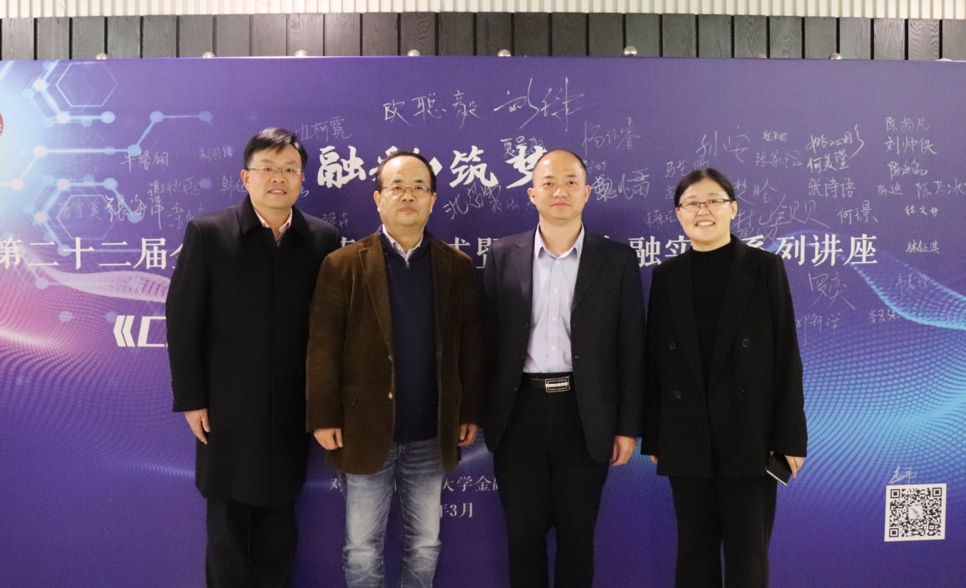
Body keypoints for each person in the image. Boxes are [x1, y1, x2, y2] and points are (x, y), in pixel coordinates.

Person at [166, 127, 340, 586]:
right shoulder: (209, 233)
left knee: (279, 526)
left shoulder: (322, 239)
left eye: (289, 169)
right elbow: (183, 321)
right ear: (246, 177)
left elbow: (329, 330)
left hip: (290, 406)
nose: (278, 178)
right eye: (267, 168)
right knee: (226, 528)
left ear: (302, 179)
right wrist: (192, 398)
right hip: (226, 407)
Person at [305, 150, 485, 587]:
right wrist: (324, 415)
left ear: (432, 200)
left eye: (418, 188)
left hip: (431, 432)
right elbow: (323, 347)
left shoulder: (456, 266)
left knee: (424, 543)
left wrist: (469, 411)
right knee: (362, 546)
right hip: (363, 428)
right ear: (378, 198)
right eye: (397, 187)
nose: (408, 196)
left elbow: (471, 347)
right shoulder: (343, 264)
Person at [483, 149, 646, 588]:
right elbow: (486, 341)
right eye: (549, 182)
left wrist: (627, 426)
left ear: (587, 193)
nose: (560, 191)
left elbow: (631, 347)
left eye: (571, 182)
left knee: (577, 539)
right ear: (532, 193)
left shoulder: (616, 260)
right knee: (523, 538)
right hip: (519, 413)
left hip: (585, 414)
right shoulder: (502, 255)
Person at [642, 167, 808, 587]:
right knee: (693, 556)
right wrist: (655, 437)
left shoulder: (764, 268)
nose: (704, 210)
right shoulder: (666, 276)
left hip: (751, 436)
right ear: (679, 215)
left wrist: (790, 437)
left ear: (732, 209)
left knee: (747, 559)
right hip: (686, 436)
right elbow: (655, 361)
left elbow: (786, 355)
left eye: (714, 201)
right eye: (692, 203)